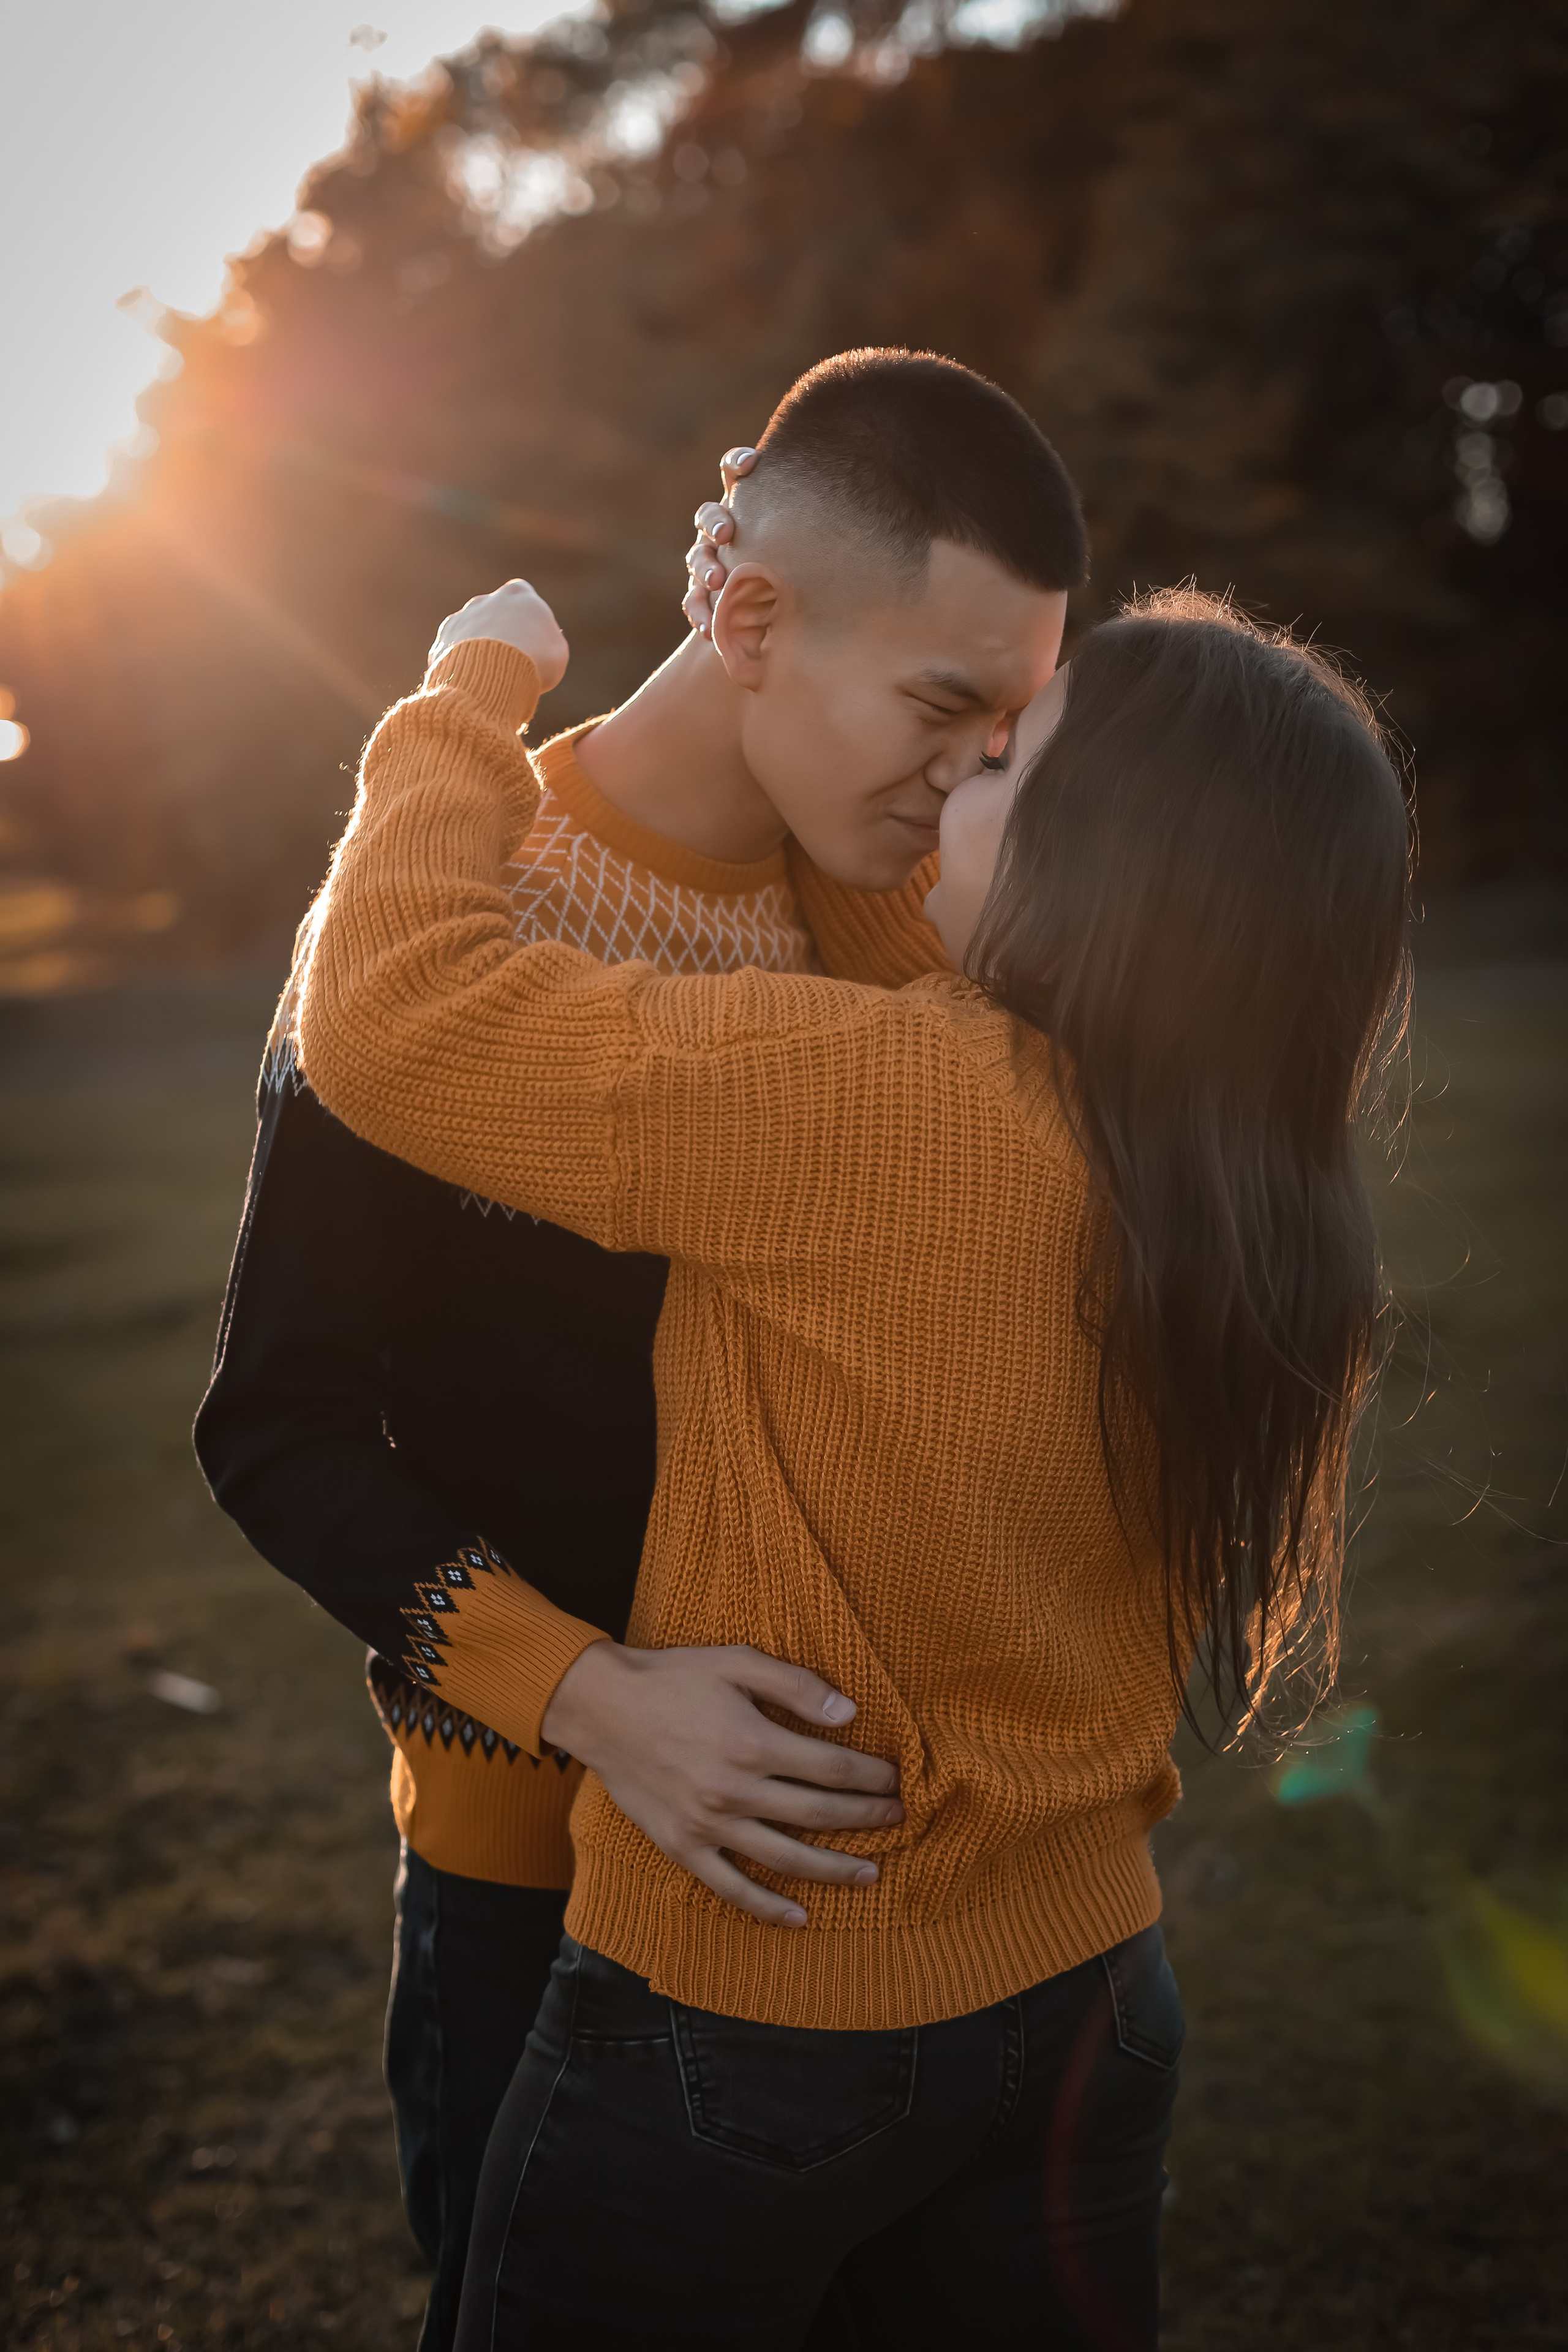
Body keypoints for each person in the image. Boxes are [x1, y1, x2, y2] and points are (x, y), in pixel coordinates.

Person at [292, 548, 1411, 2346]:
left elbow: (397, 1018)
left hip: (758, 2006)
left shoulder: (870, 1106)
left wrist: (465, 695)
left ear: (1101, 867)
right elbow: (939, 944)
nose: (948, 780)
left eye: (1000, 763)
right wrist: (795, 673)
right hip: (1091, 1994)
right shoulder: (1255, 1186)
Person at [192, 348, 1085, 2347]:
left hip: (837, 1869)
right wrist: (588, 1700)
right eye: (940, 710)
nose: (967, 777)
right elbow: (278, 1428)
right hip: (535, 1866)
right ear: (751, 619)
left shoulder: (884, 921)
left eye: (1007, 732)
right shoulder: (433, 919)